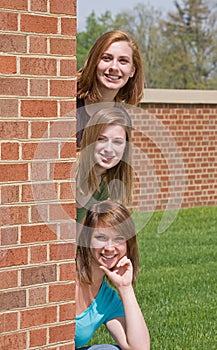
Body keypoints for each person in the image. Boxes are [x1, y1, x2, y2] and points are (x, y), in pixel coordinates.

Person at [75, 200, 150, 350]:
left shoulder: (106, 300)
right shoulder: (64, 276)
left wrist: (125, 287)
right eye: (101, 238)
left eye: (119, 239)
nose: (109, 248)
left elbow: (139, 348)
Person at [76, 29, 144, 148]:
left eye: (123, 61)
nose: (114, 67)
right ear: (94, 62)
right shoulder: (68, 102)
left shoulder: (122, 118)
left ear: (132, 70)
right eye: (107, 58)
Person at [76, 106, 133, 225]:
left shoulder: (102, 189)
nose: (108, 149)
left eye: (117, 142)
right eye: (101, 139)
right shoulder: (70, 171)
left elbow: (79, 237)